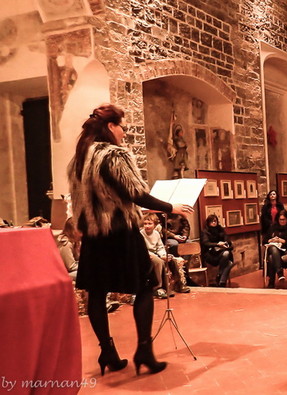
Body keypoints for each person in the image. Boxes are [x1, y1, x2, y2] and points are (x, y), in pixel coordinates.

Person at [68, 104, 193, 376]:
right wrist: (172, 207)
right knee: (146, 287)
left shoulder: (78, 158)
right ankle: (144, 350)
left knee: (97, 294)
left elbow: (77, 201)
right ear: (110, 127)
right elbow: (137, 193)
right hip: (120, 233)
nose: (124, 133)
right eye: (122, 126)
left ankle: (107, 351)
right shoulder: (113, 155)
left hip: (93, 236)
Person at [140, 213, 190, 296]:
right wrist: (159, 257)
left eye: (150, 224)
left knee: (172, 260)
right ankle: (157, 288)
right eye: (145, 224)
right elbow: (142, 249)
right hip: (147, 254)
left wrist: (163, 255)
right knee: (159, 262)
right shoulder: (141, 234)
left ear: (155, 225)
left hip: (157, 253)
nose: (147, 226)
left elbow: (160, 247)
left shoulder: (156, 234)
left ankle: (178, 285)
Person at [200, 214, 236, 287]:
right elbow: (205, 243)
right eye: (211, 221)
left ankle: (221, 280)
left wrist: (225, 244)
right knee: (229, 262)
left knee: (227, 256)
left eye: (215, 221)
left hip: (221, 251)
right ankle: (221, 277)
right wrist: (217, 244)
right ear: (208, 222)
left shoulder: (220, 229)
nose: (214, 223)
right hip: (210, 254)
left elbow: (227, 240)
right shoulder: (205, 231)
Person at [264, 210, 287, 288]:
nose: (282, 221)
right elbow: (264, 240)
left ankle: (272, 281)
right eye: (280, 219)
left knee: (271, 259)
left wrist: (282, 241)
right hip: (274, 249)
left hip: (286, 251)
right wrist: (270, 240)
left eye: (284, 219)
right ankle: (279, 272)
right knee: (273, 249)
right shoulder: (273, 227)